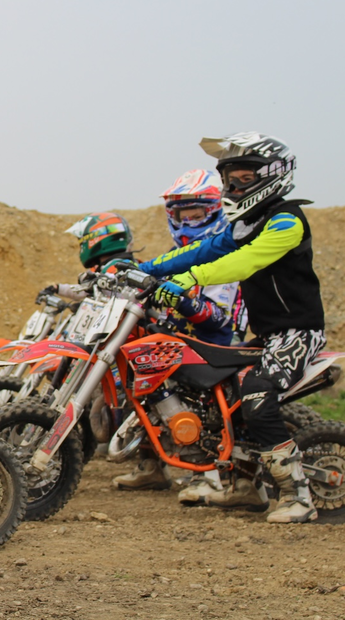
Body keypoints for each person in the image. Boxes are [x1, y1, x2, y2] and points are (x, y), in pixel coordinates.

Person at [139, 132, 325, 523]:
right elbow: (201, 249)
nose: (234, 188)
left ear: (272, 176)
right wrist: (145, 268)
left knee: (257, 393)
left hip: (298, 333)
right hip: (268, 335)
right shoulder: (244, 223)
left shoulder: (287, 221)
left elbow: (246, 261)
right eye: (229, 179)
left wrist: (191, 279)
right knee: (227, 398)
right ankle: (245, 487)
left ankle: (298, 496)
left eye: (244, 178)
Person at [113, 170, 248, 496]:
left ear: (214, 213)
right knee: (135, 376)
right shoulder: (178, 259)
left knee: (205, 407)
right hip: (182, 344)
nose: (187, 224)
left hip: (218, 347)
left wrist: (180, 299)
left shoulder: (224, 260)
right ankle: (151, 466)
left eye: (196, 216)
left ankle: (209, 475)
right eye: (180, 216)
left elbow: (218, 319)